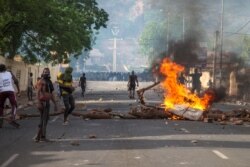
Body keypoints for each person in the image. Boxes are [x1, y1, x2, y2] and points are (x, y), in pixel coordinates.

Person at [35, 68, 57, 142]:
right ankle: (41, 137)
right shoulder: (41, 81)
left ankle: (40, 136)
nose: (46, 73)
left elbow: (51, 94)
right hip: (43, 102)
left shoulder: (49, 82)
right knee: (43, 119)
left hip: (47, 102)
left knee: (45, 119)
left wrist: (55, 104)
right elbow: (37, 92)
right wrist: (38, 102)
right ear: (42, 73)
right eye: (44, 72)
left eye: (47, 72)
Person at [0, 64, 20, 128]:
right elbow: (16, 81)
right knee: (14, 105)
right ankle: (13, 117)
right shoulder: (10, 73)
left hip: (1, 92)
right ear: (5, 68)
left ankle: (0, 122)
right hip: (10, 91)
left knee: (0, 106)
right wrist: (18, 90)